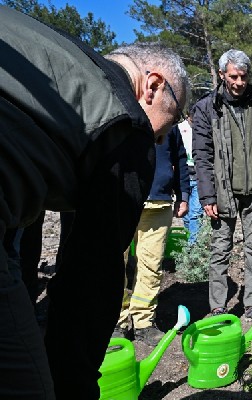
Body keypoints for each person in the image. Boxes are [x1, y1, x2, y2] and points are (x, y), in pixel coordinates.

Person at [0, 6, 189, 398]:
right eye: (166, 126)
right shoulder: (125, 120)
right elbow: (90, 276)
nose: (157, 142)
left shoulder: (51, 56)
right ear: (152, 86)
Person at [192, 49, 252, 321]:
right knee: (220, 250)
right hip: (222, 192)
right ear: (222, 75)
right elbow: (201, 156)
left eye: (243, 76)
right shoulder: (207, 107)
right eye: (234, 76)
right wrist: (207, 196)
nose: (239, 82)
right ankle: (217, 305)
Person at [116, 126, 190, 344]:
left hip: (158, 202)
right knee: (115, 264)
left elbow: (180, 157)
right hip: (121, 198)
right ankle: (116, 321)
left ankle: (143, 322)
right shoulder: (119, 110)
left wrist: (183, 194)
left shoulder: (169, 120)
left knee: (151, 264)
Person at [178, 112, 204, 245]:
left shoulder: (204, 128)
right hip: (185, 177)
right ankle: (189, 243)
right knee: (186, 216)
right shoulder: (180, 129)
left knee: (195, 213)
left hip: (199, 176)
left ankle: (193, 246)